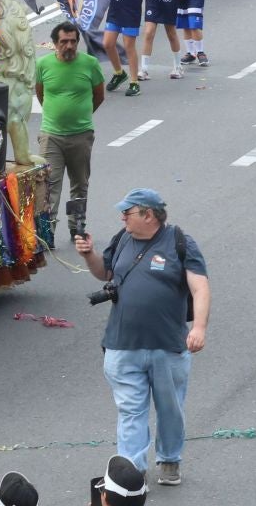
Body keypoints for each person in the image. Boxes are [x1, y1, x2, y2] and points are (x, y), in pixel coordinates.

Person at [74, 188, 210, 487]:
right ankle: (133, 472)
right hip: (122, 345)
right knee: (130, 410)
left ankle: (169, 460)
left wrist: (198, 328)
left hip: (168, 346)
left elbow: (199, 287)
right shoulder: (122, 239)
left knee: (170, 409)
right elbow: (104, 273)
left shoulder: (180, 243)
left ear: (149, 215)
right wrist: (89, 255)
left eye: (128, 212)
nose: (123, 217)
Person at [36, 22, 104, 245]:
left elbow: (99, 95)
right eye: (64, 41)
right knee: (49, 185)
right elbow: (40, 94)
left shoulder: (90, 64)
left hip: (81, 136)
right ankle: (48, 233)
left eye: (73, 41)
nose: (69, 46)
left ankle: (77, 226)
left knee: (79, 183)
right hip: (51, 136)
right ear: (55, 44)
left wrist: (80, 117)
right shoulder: (43, 64)